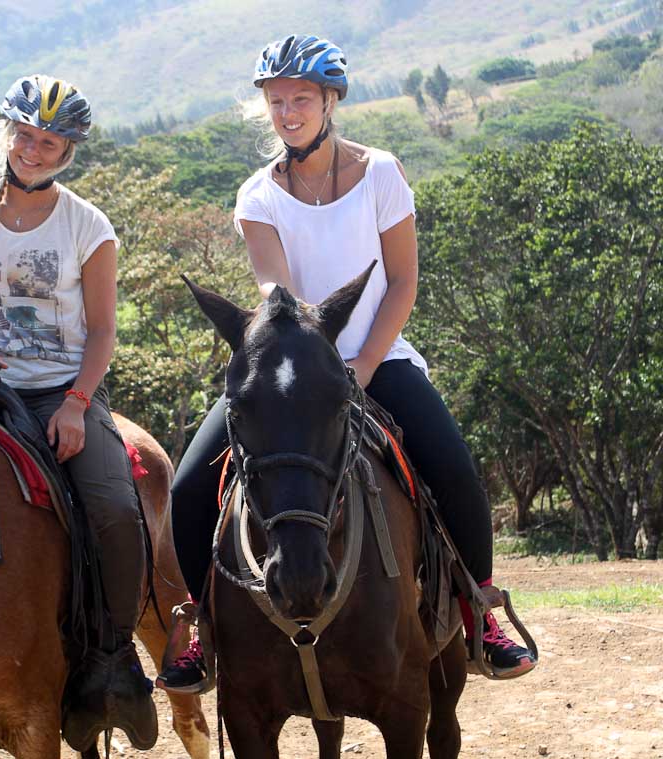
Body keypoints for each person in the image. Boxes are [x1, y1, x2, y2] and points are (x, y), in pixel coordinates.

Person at [157, 35, 537, 693]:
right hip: (292, 370)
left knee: (455, 470)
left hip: (380, 355)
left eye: (300, 97)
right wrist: (318, 370)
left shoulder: (381, 172)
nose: (287, 111)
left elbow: (402, 282)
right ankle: (201, 628)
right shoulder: (257, 196)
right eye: (276, 101)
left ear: (330, 100)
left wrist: (362, 360)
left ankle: (481, 612)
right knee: (190, 486)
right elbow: (281, 304)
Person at [0, 74, 156, 748]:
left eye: (47, 141)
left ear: (67, 151)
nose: (32, 149)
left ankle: (112, 658)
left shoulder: (88, 225)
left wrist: (79, 403)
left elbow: (104, 329)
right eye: (24, 135)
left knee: (113, 505)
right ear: (8, 134)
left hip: (62, 389)